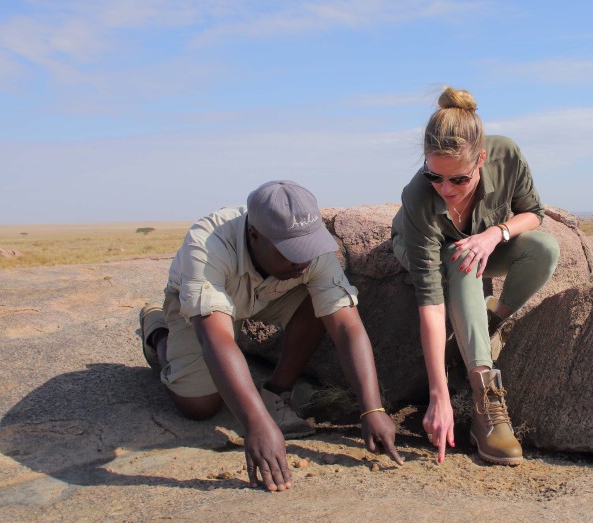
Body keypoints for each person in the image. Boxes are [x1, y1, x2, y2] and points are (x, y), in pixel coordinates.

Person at [139, 180, 402, 492]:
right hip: (207, 312)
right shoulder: (208, 245)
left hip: (273, 296)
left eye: (306, 250)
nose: (302, 261)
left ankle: (277, 393)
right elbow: (215, 340)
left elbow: (346, 325)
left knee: (323, 304)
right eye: (290, 253)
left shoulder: (309, 251)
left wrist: (372, 409)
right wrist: (256, 424)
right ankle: (156, 330)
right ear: (254, 235)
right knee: (199, 406)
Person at [391, 87, 560, 466]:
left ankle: (488, 321)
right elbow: (432, 306)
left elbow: (532, 213)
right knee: (460, 257)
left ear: (481, 159)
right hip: (425, 250)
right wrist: (439, 396)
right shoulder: (418, 198)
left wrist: (493, 234)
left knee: (544, 248)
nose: (445, 190)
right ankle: (487, 405)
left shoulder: (506, 155)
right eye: (435, 176)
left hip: (483, 242)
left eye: (459, 180)